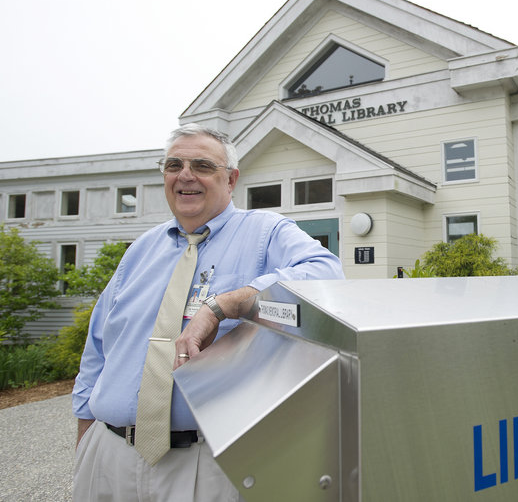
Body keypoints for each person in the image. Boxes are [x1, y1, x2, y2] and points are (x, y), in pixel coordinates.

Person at [72, 124, 344, 501]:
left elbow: (327, 274)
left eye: (202, 165)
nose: (185, 175)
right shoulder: (140, 250)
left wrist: (228, 304)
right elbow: (98, 348)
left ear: (230, 179)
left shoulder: (264, 232)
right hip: (109, 457)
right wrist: (86, 436)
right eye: (174, 165)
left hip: (205, 465)